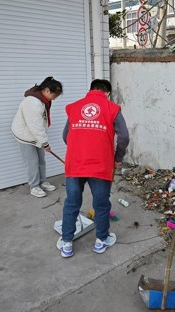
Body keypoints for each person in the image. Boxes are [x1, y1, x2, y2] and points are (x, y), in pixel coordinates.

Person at [57, 79, 129, 258]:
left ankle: (66, 244)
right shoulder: (112, 108)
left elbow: (66, 136)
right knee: (101, 204)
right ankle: (101, 241)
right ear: (107, 93)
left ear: (90, 91)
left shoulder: (75, 107)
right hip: (100, 165)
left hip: (76, 164)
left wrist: (79, 148)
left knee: (72, 203)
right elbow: (124, 137)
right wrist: (117, 158)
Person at [11, 76, 63, 198]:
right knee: (32, 162)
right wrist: (45, 143)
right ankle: (34, 186)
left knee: (41, 160)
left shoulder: (43, 100)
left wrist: (43, 142)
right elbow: (35, 126)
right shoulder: (32, 103)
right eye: (54, 96)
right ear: (46, 90)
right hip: (25, 135)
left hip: (36, 135)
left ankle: (42, 181)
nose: (54, 99)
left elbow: (40, 124)